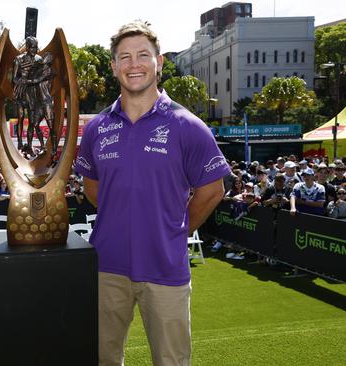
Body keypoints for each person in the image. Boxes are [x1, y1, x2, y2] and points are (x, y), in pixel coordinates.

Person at [74, 21, 229, 366]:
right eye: (124, 57)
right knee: (101, 359)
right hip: (106, 268)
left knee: (172, 361)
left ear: (158, 61)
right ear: (113, 66)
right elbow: (92, 187)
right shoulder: (98, 127)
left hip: (165, 269)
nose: (134, 64)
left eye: (143, 55)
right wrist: (123, 216)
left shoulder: (187, 125)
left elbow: (212, 190)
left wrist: (176, 228)